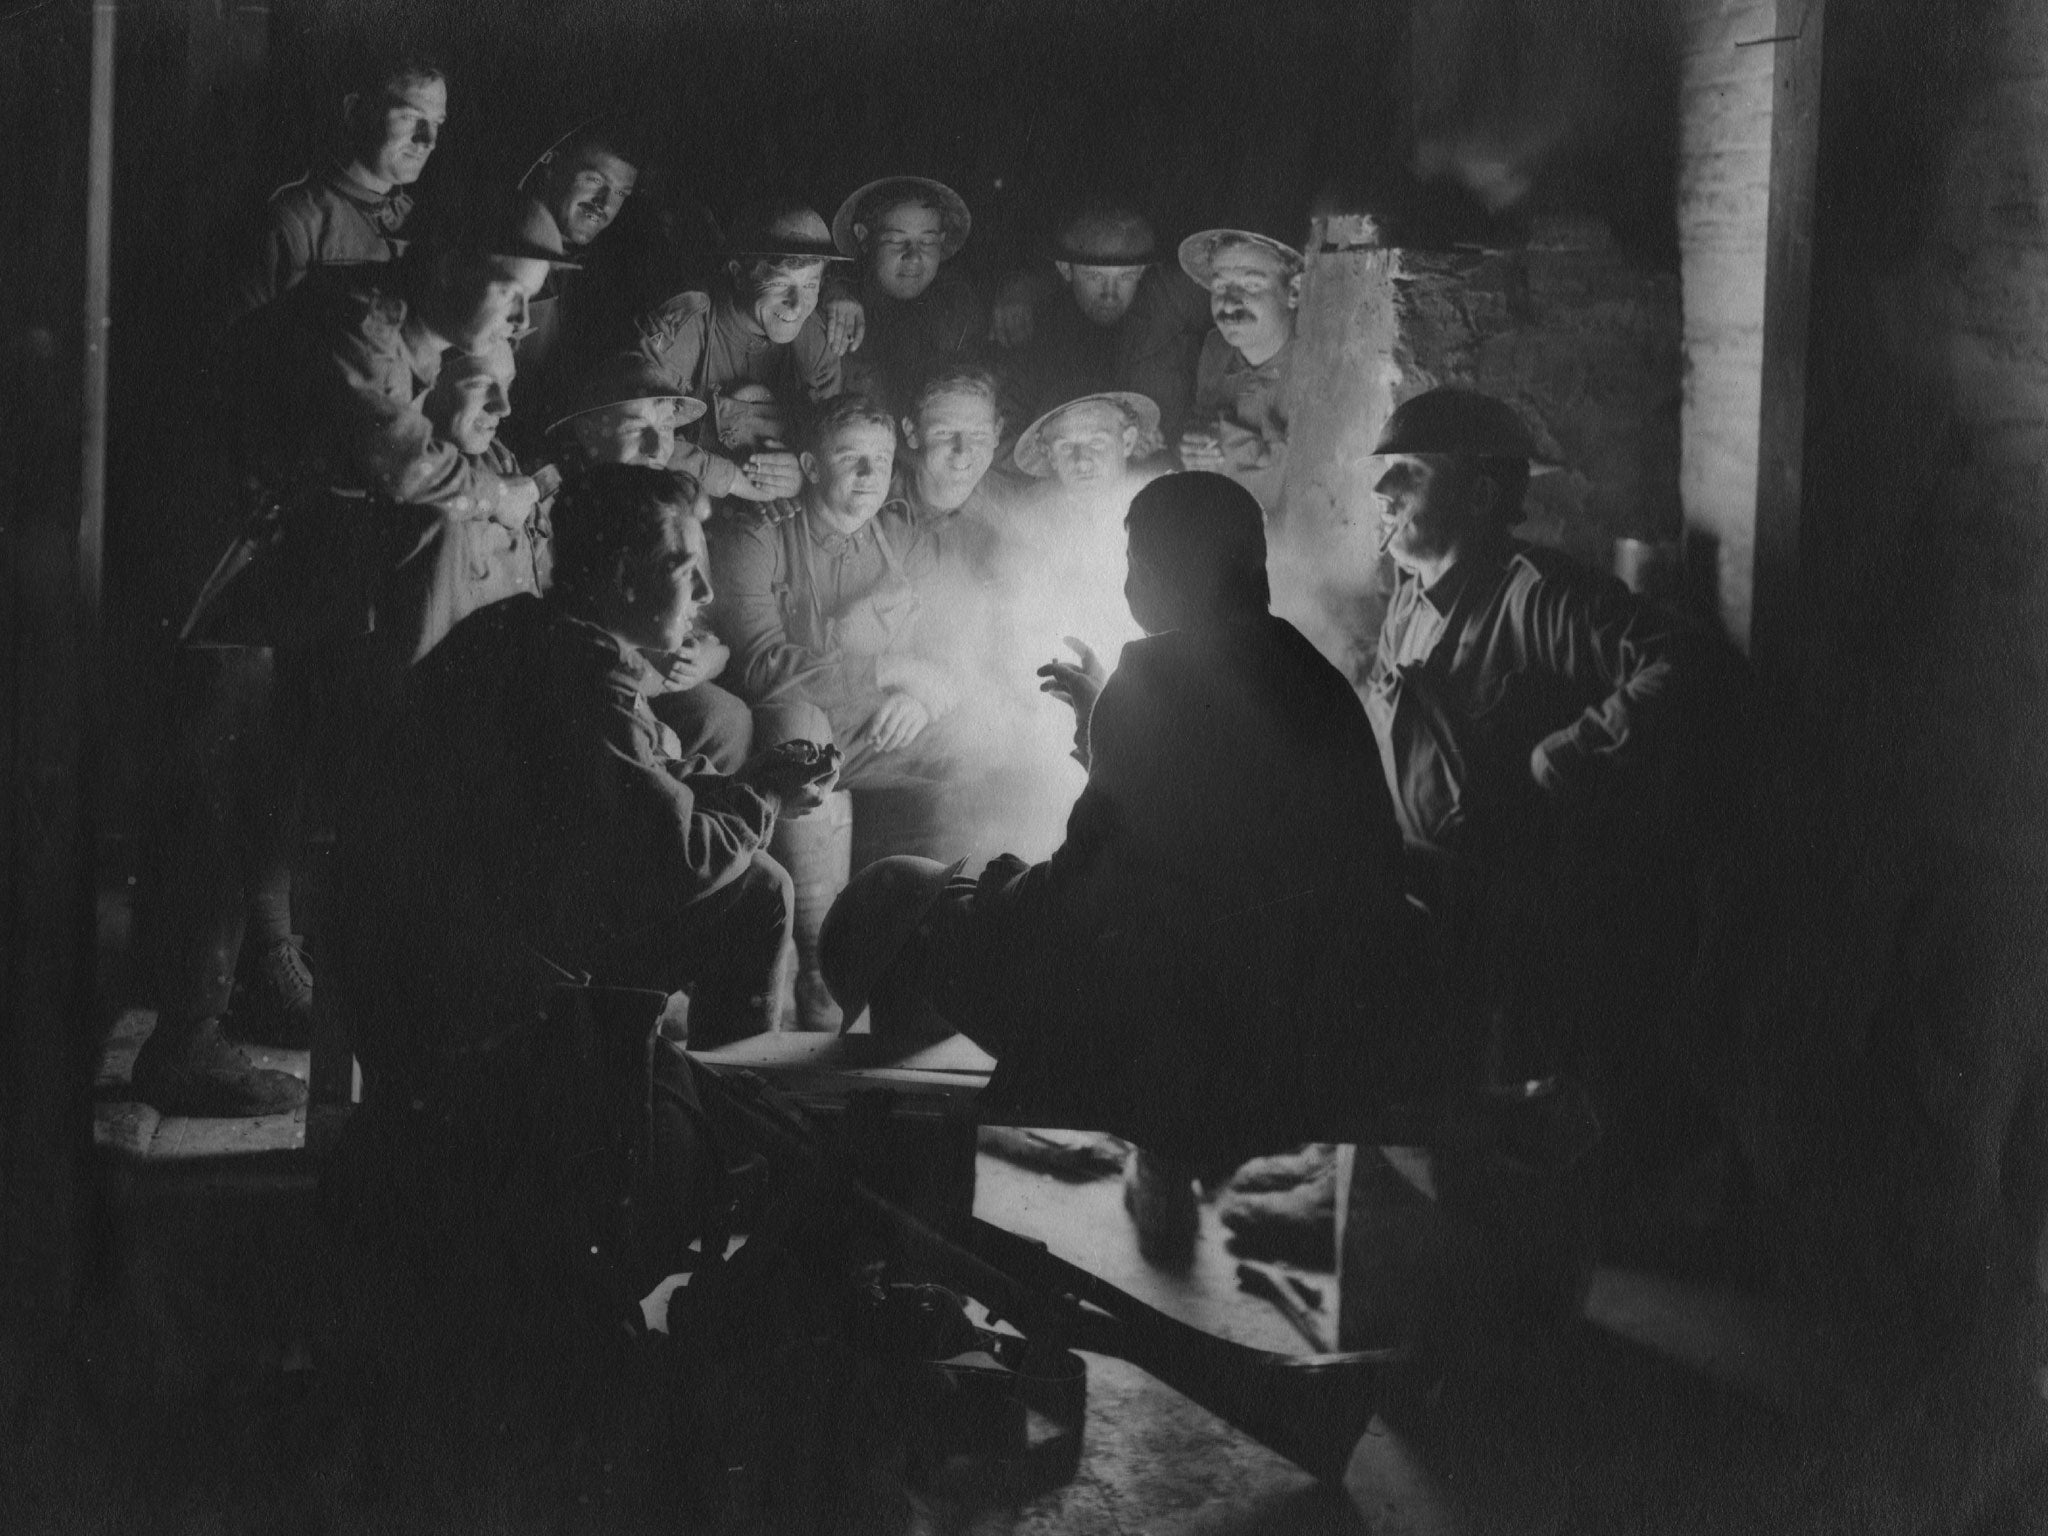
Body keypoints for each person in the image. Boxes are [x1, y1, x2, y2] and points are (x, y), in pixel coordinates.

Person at [816, 472, 1441, 1195]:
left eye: (1139, 563)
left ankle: (902, 1184)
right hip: (1329, 1019)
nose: (1129, 584)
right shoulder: (1308, 672)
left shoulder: (1156, 675)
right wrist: (1100, 728)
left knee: (905, 910)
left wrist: (988, 896)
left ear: (1190, 568)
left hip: (1221, 1036)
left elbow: (1090, 891)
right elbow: (1188, 826)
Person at [330, 463, 839, 1300]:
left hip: (418, 952)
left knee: (743, 874)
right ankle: (710, 1153)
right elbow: (668, 863)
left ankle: (658, 1115)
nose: (707, 589)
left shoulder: (529, 633)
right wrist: (768, 798)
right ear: (620, 577)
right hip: (467, 991)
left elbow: (620, 806)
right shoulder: (584, 670)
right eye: (686, 568)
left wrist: (733, 795)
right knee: (757, 892)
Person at [132, 220, 566, 1116]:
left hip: (257, 568)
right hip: (199, 564)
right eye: (508, 289)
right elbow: (403, 465)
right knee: (214, 792)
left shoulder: (413, 336)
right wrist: (505, 495)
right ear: (447, 263)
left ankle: (255, 987)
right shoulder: (359, 322)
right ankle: (183, 1045)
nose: (521, 315)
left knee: (271, 776)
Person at [1361, 386, 1711, 1106]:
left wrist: (1568, 754)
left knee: (1503, 1125)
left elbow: (1687, 664)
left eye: (1410, 472)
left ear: (1481, 493)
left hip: (1512, 927)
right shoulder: (1408, 596)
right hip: (1428, 901)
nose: (1381, 489)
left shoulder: (1541, 596)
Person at [705, 394, 963, 835]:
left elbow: (949, 644)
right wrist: (888, 670)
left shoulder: (904, 539)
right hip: (798, 731)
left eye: (881, 459)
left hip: (880, 728)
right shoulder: (760, 537)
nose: (869, 474)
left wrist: (921, 700)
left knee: (977, 744)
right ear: (810, 467)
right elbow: (760, 668)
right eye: (850, 458)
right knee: (804, 755)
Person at [543, 354, 753, 774]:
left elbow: (704, 613)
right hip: (584, 686)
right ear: (586, 430)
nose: (658, 449)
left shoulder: (673, 503)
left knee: (725, 720)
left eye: (666, 431)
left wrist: (711, 655)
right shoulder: (555, 505)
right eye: (637, 429)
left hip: (656, 677)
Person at [634, 200, 852, 509]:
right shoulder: (689, 323)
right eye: (780, 283)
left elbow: (835, 442)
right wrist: (731, 478)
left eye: (810, 285)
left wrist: (803, 473)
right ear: (738, 274)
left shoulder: (817, 339)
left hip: (776, 511)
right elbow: (638, 438)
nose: (797, 304)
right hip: (682, 500)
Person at [228, 54, 448, 321]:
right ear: (354, 111)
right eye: (409, 116)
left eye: (437, 123)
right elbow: (236, 347)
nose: (429, 140)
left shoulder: (418, 222)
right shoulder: (294, 224)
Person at [990, 204, 1212, 444]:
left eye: (1125, 277)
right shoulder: (1035, 323)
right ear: (1065, 269)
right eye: (1095, 276)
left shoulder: (1170, 300)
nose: (1110, 294)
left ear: (1142, 271)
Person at [830, 176, 985, 410]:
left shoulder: (960, 307)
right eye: (895, 240)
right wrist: (830, 290)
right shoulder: (838, 305)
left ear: (941, 241)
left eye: (927, 241)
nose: (913, 256)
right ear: (863, 237)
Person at [1175, 229, 1303, 514]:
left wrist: (1227, 447)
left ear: (1293, 291)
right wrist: (1196, 451)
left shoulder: (1316, 366)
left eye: (1251, 285)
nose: (1229, 304)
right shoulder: (1216, 350)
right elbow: (1203, 425)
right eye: (1220, 287)